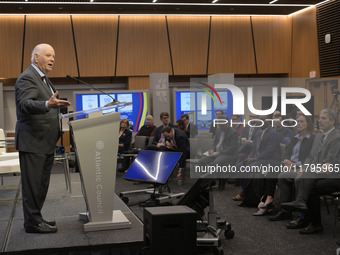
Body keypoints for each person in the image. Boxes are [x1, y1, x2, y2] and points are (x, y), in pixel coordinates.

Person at [15, 43, 71, 234]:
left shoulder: (43, 79)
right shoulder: (27, 77)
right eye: (48, 55)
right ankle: (31, 223)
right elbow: (25, 104)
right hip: (33, 141)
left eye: (53, 56)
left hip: (44, 141)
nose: (52, 59)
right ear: (36, 57)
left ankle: (36, 218)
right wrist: (48, 104)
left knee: (41, 184)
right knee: (33, 186)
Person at [281, 109, 340, 234]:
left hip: (334, 175)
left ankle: (308, 218)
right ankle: (308, 218)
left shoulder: (336, 137)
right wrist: (305, 169)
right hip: (320, 173)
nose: (320, 120)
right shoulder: (319, 136)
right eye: (319, 118)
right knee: (307, 181)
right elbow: (312, 156)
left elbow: (329, 160)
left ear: (332, 121)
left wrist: (309, 170)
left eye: (324, 118)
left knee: (309, 184)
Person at [269, 115, 315, 221]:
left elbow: (311, 158)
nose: (298, 123)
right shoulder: (295, 138)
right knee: (272, 168)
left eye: (301, 121)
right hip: (290, 164)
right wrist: (286, 161)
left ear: (308, 124)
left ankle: (287, 210)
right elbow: (287, 153)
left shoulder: (312, 139)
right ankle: (272, 202)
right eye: (297, 121)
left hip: (301, 167)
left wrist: (295, 165)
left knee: (283, 176)